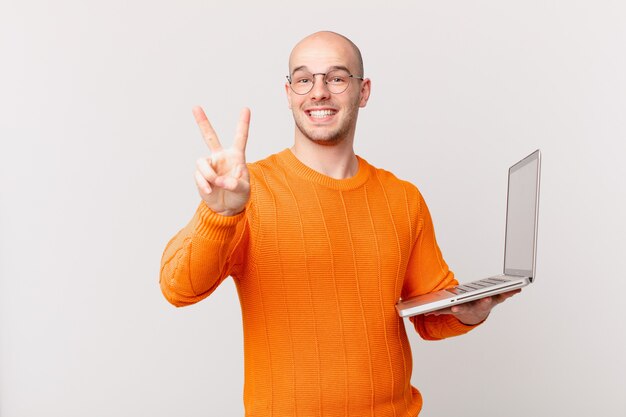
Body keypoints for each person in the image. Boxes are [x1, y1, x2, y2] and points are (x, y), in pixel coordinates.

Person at [160, 31, 519, 417]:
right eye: (304, 79)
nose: (318, 92)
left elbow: (431, 314)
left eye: (336, 78)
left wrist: (470, 311)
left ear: (363, 92)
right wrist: (220, 215)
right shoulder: (249, 190)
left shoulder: (403, 198)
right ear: (288, 94)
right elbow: (178, 287)